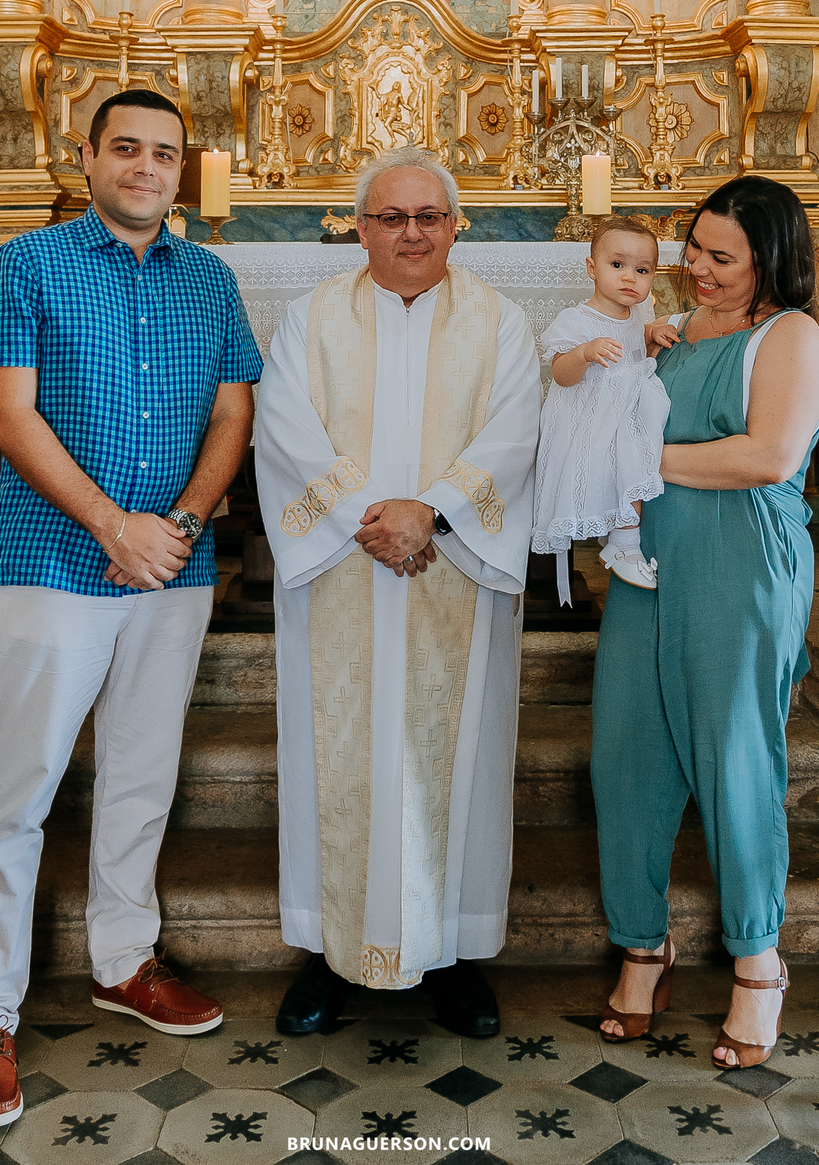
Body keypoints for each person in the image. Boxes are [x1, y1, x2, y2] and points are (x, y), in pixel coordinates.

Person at [0, 89, 263, 1132]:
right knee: (15, 788)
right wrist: (113, 526)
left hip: (172, 563)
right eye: (126, 147)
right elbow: (5, 412)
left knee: (141, 773)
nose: (145, 167)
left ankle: (123, 960)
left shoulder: (210, 279)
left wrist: (180, 522)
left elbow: (232, 412)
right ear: (86, 157)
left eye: (164, 153)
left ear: (181, 170)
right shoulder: (28, 265)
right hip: (51, 560)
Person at [254, 147, 540, 1039]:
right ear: (360, 228)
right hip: (341, 571)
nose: (411, 233)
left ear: (456, 226)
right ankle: (329, 949)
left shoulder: (501, 323)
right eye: (391, 217)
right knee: (337, 753)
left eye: (428, 217)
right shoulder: (311, 319)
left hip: (454, 568)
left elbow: (516, 433)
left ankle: (451, 950)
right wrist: (369, 522)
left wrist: (433, 514)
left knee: (451, 757)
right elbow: (285, 428)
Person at [590, 176, 819, 1067]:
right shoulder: (673, 330)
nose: (697, 267)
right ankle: (641, 945)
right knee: (626, 754)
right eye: (693, 247)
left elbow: (767, 455)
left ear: (770, 260)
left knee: (734, 760)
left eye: (721, 257)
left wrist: (634, 458)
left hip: (740, 562)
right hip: (648, 564)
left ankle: (757, 961)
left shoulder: (791, 336)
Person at [531, 218, 672, 601]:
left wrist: (651, 333)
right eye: (617, 265)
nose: (629, 277)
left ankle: (621, 540)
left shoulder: (637, 315)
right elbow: (561, 375)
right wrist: (583, 353)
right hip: (590, 419)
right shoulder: (576, 320)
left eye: (642, 270)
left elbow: (634, 338)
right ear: (592, 268)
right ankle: (624, 545)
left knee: (631, 470)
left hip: (625, 412)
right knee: (622, 470)